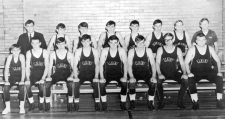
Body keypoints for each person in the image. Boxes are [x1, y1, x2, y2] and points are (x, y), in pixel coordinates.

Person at [185, 33, 224, 110]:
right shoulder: (192, 49)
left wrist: (219, 71)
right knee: (191, 80)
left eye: (203, 40)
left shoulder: (209, 48)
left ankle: (219, 101)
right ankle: (195, 102)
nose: (201, 42)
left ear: (206, 40)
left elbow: (218, 61)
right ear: (196, 41)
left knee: (219, 78)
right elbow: (186, 62)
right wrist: (189, 72)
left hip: (208, 71)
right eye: (199, 40)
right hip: (196, 71)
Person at [156, 33, 188, 110]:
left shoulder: (177, 49)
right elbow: (157, 63)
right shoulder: (160, 49)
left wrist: (184, 73)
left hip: (174, 72)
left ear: (173, 40)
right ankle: (161, 101)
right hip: (163, 72)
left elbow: (182, 63)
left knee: (186, 80)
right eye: (166, 40)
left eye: (169, 39)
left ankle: (180, 101)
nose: (168, 41)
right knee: (158, 81)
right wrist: (159, 73)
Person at [128, 35, 157, 110]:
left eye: (142, 42)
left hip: (146, 73)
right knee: (131, 82)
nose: (141, 44)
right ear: (135, 43)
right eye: (139, 43)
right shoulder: (131, 51)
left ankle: (150, 102)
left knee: (153, 82)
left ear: (144, 43)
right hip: (135, 73)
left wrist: (153, 76)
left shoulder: (148, 50)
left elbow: (153, 64)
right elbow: (129, 65)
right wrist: (131, 76)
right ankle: (132, 102)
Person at [45, 37, 74, 112]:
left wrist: (71, 76)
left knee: (70, 84)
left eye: (62, 44)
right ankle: (47, 103)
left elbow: (74, 68)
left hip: (67, 74)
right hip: (57, 74)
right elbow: (49, 66)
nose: (61, 46)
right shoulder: (53, 54)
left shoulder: (70, 54)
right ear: (56, 45)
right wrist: (48, 76)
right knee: (47, 83)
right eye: (59, 44)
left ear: (65, 44)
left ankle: (70, 103)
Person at [99, 35, 127, 111]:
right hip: (107, 73)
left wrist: (124, 76)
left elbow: (125, 63)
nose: (113, 45)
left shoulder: (121, 50)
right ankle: (104, 103)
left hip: (118, 73)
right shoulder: (105, 50)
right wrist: (101, 77)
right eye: (111, 43)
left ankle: (123, 102)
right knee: (101, 83)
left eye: (115, 43)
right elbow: (101, 64)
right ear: (108, 43)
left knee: (124, 83)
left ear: (118, 43)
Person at [73, 34, 100, 111]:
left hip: (92, 74)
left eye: (87, 41)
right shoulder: (78, 51)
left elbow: (97, 64)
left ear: (90, 42)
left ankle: (97, 102)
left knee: (96, 83)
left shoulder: (94, 51)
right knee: (76, 83)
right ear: (81, 42)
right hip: (82, 74)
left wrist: (96, 76)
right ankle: (76, 102)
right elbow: (75, 65)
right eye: (84, 41)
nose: (85, 43)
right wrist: (75, 77)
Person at [25, 37, 49, 112]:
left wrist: (43, 78)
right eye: (33, 43)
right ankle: (32, 104)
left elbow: (47, 66)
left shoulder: (44, 52)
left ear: (40, 43)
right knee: (27, 85)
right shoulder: (29, 52)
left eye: (36, 43)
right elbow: (27, 67)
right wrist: (28, 79)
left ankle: (41, 103)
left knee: (41, 85)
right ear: (31, 44)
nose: (35, 45)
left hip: (42, 74)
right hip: (33, 74)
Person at [2, 44, 26, 114]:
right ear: (11, 51)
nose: (16, 52)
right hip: (12, 77)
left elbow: (24, 69)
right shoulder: (9, 57)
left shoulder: (21, 56)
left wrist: (22, 80)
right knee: (5, 87)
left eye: (17, 50)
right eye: (14, 50)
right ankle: (7, 107)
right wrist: (6, 80)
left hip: (20, 76)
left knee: (22, 87)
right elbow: (6, 69)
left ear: (20, 51)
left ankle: (21, 107)